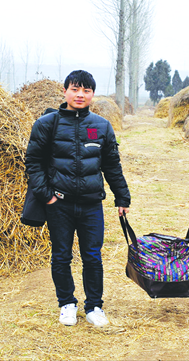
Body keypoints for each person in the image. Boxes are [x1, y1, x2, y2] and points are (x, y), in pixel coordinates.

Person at [25, 70, 131, 327]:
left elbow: (112, 166)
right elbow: (33, 163)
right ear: (65, 92)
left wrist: (122, 197)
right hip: (58, 204)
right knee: (61, 255)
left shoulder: (101, 126)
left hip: (91, 203)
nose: (80, 95)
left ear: (93, 94)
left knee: (92, 256)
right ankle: (66, 304)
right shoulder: (46, 124)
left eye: (86, 90)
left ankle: (94, 306)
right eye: (75, 89)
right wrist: (47, 197)